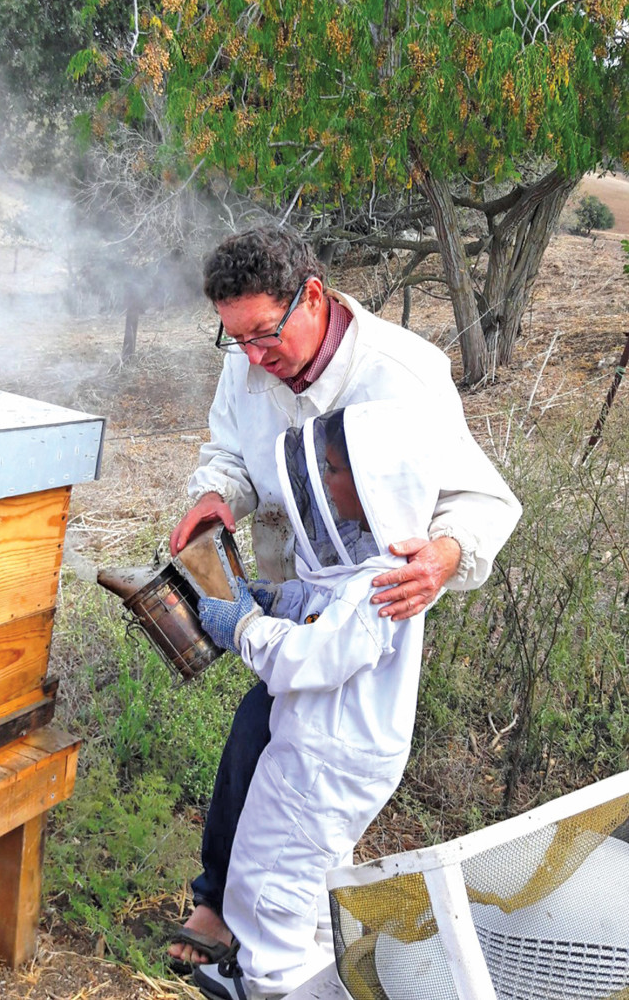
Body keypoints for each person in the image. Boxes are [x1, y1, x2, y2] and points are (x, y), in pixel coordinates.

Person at [168, 227, 522, 968]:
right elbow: (230, 451)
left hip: (381, 592)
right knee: (264, 742)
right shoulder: (249, 357)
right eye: (237, 342)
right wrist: (215, 496)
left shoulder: (404, 372)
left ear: (316, 297)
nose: (256, 358)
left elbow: (480, 498)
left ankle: (262, 944)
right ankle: (240, 908)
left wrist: (443, 557)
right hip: (304, 589)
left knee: (297, 778)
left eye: (266, 335)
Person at [189, 399, 505, 1000]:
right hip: (325, 754)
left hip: (324, 763)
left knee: (265, 896)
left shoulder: (385, 580)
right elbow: (324, 609)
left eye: (334, 470)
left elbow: (316, 656)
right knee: (307, 888)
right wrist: (274, 601)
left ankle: (274, 985)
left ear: (375, 481)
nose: (324, 482)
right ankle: (320, 981)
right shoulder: (368, 567)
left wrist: (245, 627)